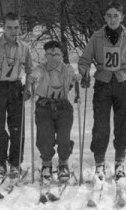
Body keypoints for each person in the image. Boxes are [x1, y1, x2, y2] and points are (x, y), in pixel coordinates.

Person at [78, 2, 126, 182]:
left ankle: (119, 163)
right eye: (108, 15)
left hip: (124, 85)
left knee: (122, 124)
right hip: (102, 84)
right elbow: (84, 59)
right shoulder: (96, 37)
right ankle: (99, 164)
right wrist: (84, 73)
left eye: (116, 15)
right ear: (104, 18)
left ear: (122, 17)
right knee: (100, 125)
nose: (112, 19)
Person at [0, 12, 33, 179]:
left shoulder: (24, 47)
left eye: (16, 27)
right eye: (9, 27)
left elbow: (30, 70)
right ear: (3, 28)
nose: (13, 31)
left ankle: (15, 162)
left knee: (17, 127)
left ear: (20, 28)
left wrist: (28, 88)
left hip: (15, 87)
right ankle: (0, 163)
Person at [27, 41, 81, 182]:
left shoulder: (67, 68)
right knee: (45, 137)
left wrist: (76, 78)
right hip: (44, 107)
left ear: (61, 55)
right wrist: (33, 79)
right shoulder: (41, 68)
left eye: (56, 54)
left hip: (63, 106)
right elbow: (36, 74)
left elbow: (72, 76)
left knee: (64, 136)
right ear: (46, 56)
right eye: (50, 54)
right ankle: (46, 164)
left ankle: (63, 163)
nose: (53, 58)